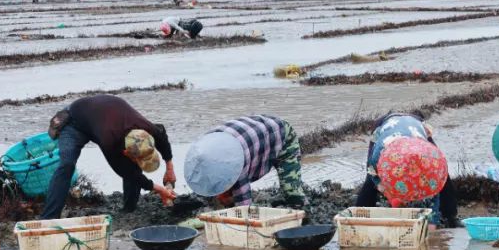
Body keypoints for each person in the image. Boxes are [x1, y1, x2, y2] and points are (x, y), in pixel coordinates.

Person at [42, 95, 176, 218]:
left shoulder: (146, 128)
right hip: (74, 122)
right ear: (125, 152)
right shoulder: (110, 142)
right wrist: (159, 189)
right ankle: (49, 218)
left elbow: (162, 138)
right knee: (67, 165)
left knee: (135, 160)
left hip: (101, 118)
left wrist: (169, 168)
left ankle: (129, 209)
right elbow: (128, 173)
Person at [355, 112, 457, 228]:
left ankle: (450, 217)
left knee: (440, 175)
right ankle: (360, 219)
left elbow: (434, 189)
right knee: (370, 181)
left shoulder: (430, 155)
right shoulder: (380, 150)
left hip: (415, 127)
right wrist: (390, 195)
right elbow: (372, 172)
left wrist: (432, 220)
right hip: (387, 125)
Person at [184, 115, 305, 208]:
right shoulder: (205, 146)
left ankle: (303, 213)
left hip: (281, 133)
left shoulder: (236, 166)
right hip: (252, 133)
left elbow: (245, 208)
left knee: (292, 193)